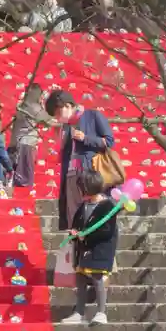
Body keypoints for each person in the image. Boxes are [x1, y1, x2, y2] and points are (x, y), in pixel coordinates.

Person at [44, 90, 114, 232]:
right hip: (71, 176)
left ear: (68, 105)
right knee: (74, 220)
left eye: (58, 113)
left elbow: (109, 141)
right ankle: (77, 249)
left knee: (92, 215)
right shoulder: (66, 127)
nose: (57, 118)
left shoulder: (93, 116)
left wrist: (85, 138)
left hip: (89, 174)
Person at [62, 169, 118, 326]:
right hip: (82, 250)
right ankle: (79, 312)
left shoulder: (107, 207)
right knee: (80, 280)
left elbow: (107, 231)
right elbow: (77, 223)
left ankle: (101, 312)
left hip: (99, 251)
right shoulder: (84, 206)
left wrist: (86, 235)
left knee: (97, 279)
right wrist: (74, 232)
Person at [8, 84, 59, 188]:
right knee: (24, 177)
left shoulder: (23, 105)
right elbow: (49, 121)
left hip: (17, 142)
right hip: (25, 143)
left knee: (17, 173)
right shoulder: (34, 107)